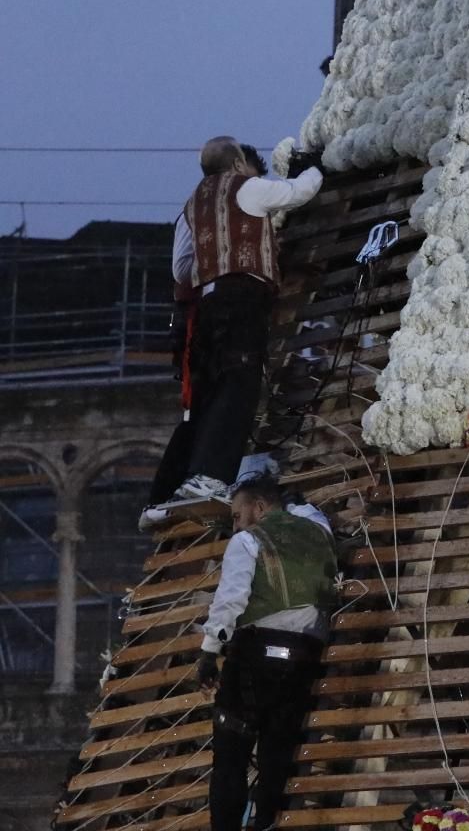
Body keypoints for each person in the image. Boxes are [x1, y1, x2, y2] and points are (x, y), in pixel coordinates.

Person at [145, 138, 323, 518]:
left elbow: (180, 268)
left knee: (207, 396)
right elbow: (300, 191)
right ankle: (209, 477)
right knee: (239, 385)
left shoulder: (192, 205)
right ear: (239, 162)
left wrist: (213, 264)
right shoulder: (247, 188)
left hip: (207, 308)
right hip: (242, 299)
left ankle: (167, 492)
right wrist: (313, 166)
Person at [198, 472, 335, 831]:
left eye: (237, 515)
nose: (235, 524)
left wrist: (209, 652)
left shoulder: (248, 541)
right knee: (278, 750)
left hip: (254, 654)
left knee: (231, 754)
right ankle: (266, 824)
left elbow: (231, 599)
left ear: (259, 508)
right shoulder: (319, 531)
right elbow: (310, 515)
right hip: (306, 655)